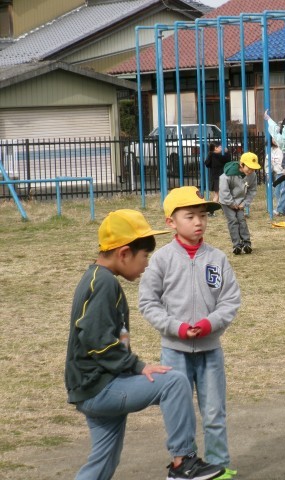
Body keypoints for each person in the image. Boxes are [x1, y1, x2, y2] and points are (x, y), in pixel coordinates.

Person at [65, 209, 228, 480]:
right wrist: (137, 366)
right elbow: (97, 341)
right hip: (99, 387)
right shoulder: (103, 284)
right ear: (124, 253)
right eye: (144, 256)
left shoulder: (97, 278)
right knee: (174, 382)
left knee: (103, 463)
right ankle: (183, 462)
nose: (146, 264)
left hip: (93, 385)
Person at [139, 186, 241, 474]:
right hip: (174, 352)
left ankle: (219, 469)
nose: (199, 222)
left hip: (210, 350)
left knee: (214, 413)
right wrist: (177, 327)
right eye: (190, 216)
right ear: (170, 222)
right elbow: (148, 302)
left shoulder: (217, 258)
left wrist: (210, 323)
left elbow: (230, 300)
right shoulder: (161, 259)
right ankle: (185, 465)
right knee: (179, 413)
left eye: (203, 216)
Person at [218, 152, 262, 255]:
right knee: (233, 221)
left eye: (253, 169)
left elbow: (252, 190)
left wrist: (244, 203)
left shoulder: (252, 175)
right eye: (249, 168)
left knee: (242, 220)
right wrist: (231, 203)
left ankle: (246, 243)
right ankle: (236, 245)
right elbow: (224, 190)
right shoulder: (227, 175)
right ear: (241, 164)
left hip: (240, 202)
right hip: (227, 202)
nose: (251, 171)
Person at [267, 137, 285, 216]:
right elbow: (270, 161)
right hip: (278, 173)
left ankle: (279, 209)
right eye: (273, 138)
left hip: (284, 173)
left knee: (283, 191)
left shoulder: (282, 148)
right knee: (277, 192)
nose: (275, 140)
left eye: (276, 138)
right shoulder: (272, 150)